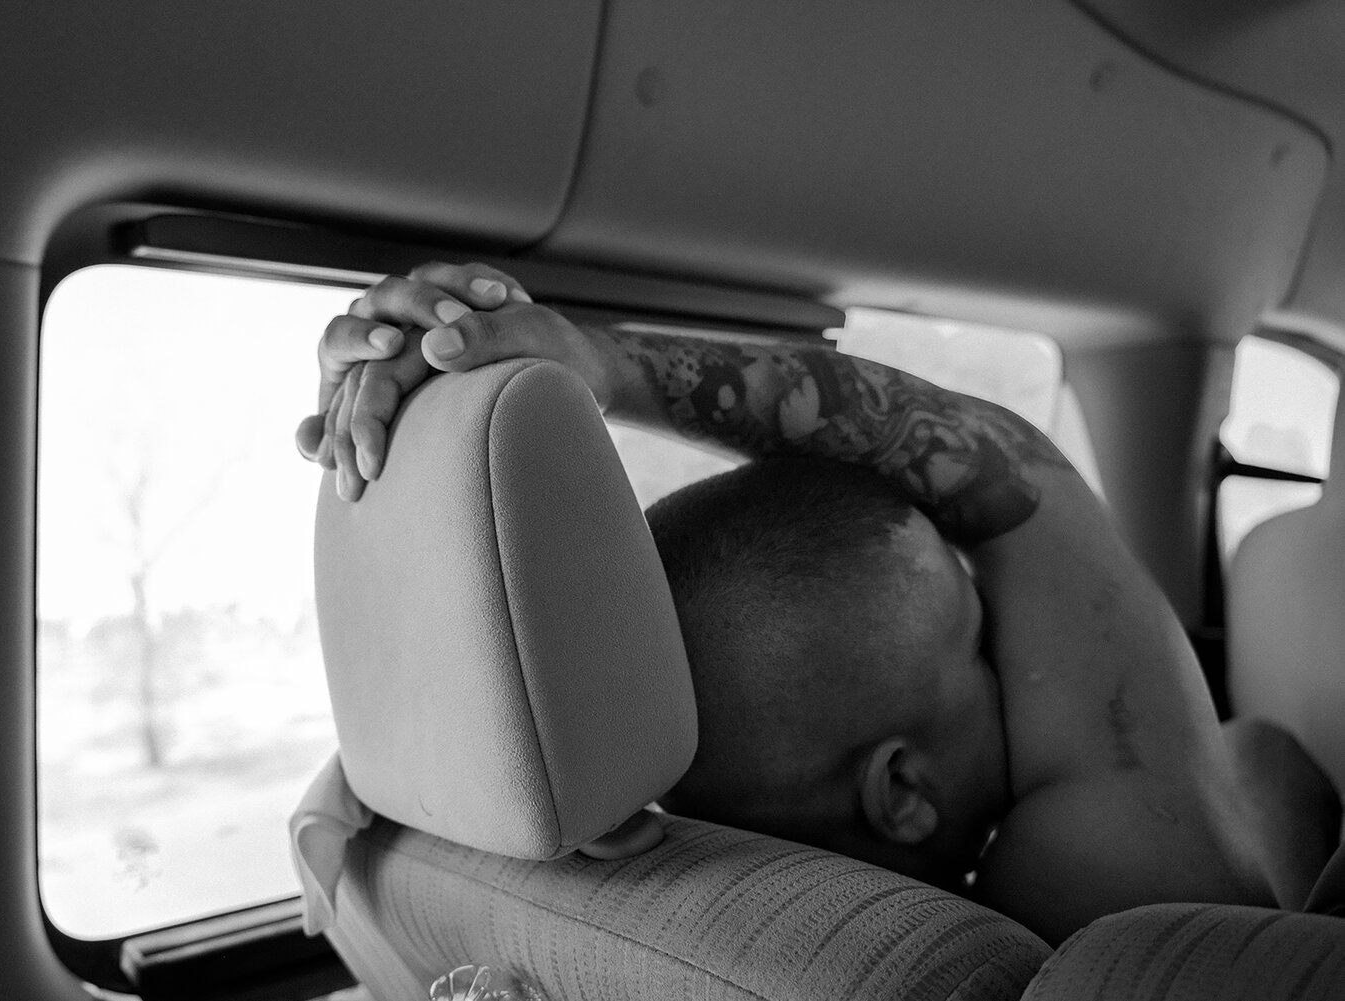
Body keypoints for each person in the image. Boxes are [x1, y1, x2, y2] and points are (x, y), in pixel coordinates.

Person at [295, 262, 1341, 943]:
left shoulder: (620, 917)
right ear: (902, 791)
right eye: (980, 648)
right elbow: (1017, 475)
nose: (1014, 654)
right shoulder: (1115, 871)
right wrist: (600, 362)